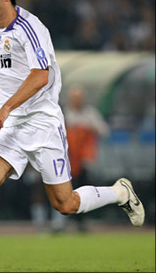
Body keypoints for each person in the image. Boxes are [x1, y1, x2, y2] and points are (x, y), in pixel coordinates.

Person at [0, 0, 145, 273]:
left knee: (65, 204)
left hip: (42, 122)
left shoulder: (31, 27)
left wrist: (4, 107)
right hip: (11, 125)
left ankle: (119, 192)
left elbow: (42, 75)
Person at [64, 85, 110, 231]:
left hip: (85, 158)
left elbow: (104, 130)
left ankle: (82, 219)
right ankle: (69, 219)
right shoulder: (65, 113)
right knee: (68, 188)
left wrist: (87, 127)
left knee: (84, 185)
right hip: (68, 158)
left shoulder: (90, 113)